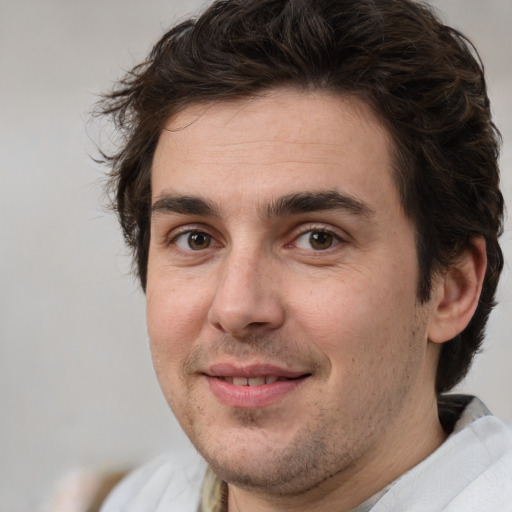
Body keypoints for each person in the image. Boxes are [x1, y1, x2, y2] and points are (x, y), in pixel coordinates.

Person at [97, 0, 512, 510]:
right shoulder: (140, 499)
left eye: (318, 238)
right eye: (196, 239)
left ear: (453, 288)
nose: (237, 308)